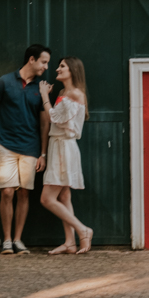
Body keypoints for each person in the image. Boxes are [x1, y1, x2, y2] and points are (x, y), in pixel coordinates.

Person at [0, 44, 51, 254]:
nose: (46, 67)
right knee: (7, 192)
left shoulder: (41, 88)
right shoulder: (5, 82)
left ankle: (18, 240)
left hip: (30, 149)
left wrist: (43, 153)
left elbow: (44, 124)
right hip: (6, 147)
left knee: (23, 194)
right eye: (43, 62)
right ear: (31, 59)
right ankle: (6, 240)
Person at [38, 57, 94, 255]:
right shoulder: (63, 92)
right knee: (63, 195)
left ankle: (83, 230)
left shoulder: (76, 94)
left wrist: (44, 95)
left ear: (73, 70)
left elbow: (53, 117)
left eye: (62, 66)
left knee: (46, 199)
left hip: (64, 147)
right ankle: (70, 242)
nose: (57, 69)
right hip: (58, 146)